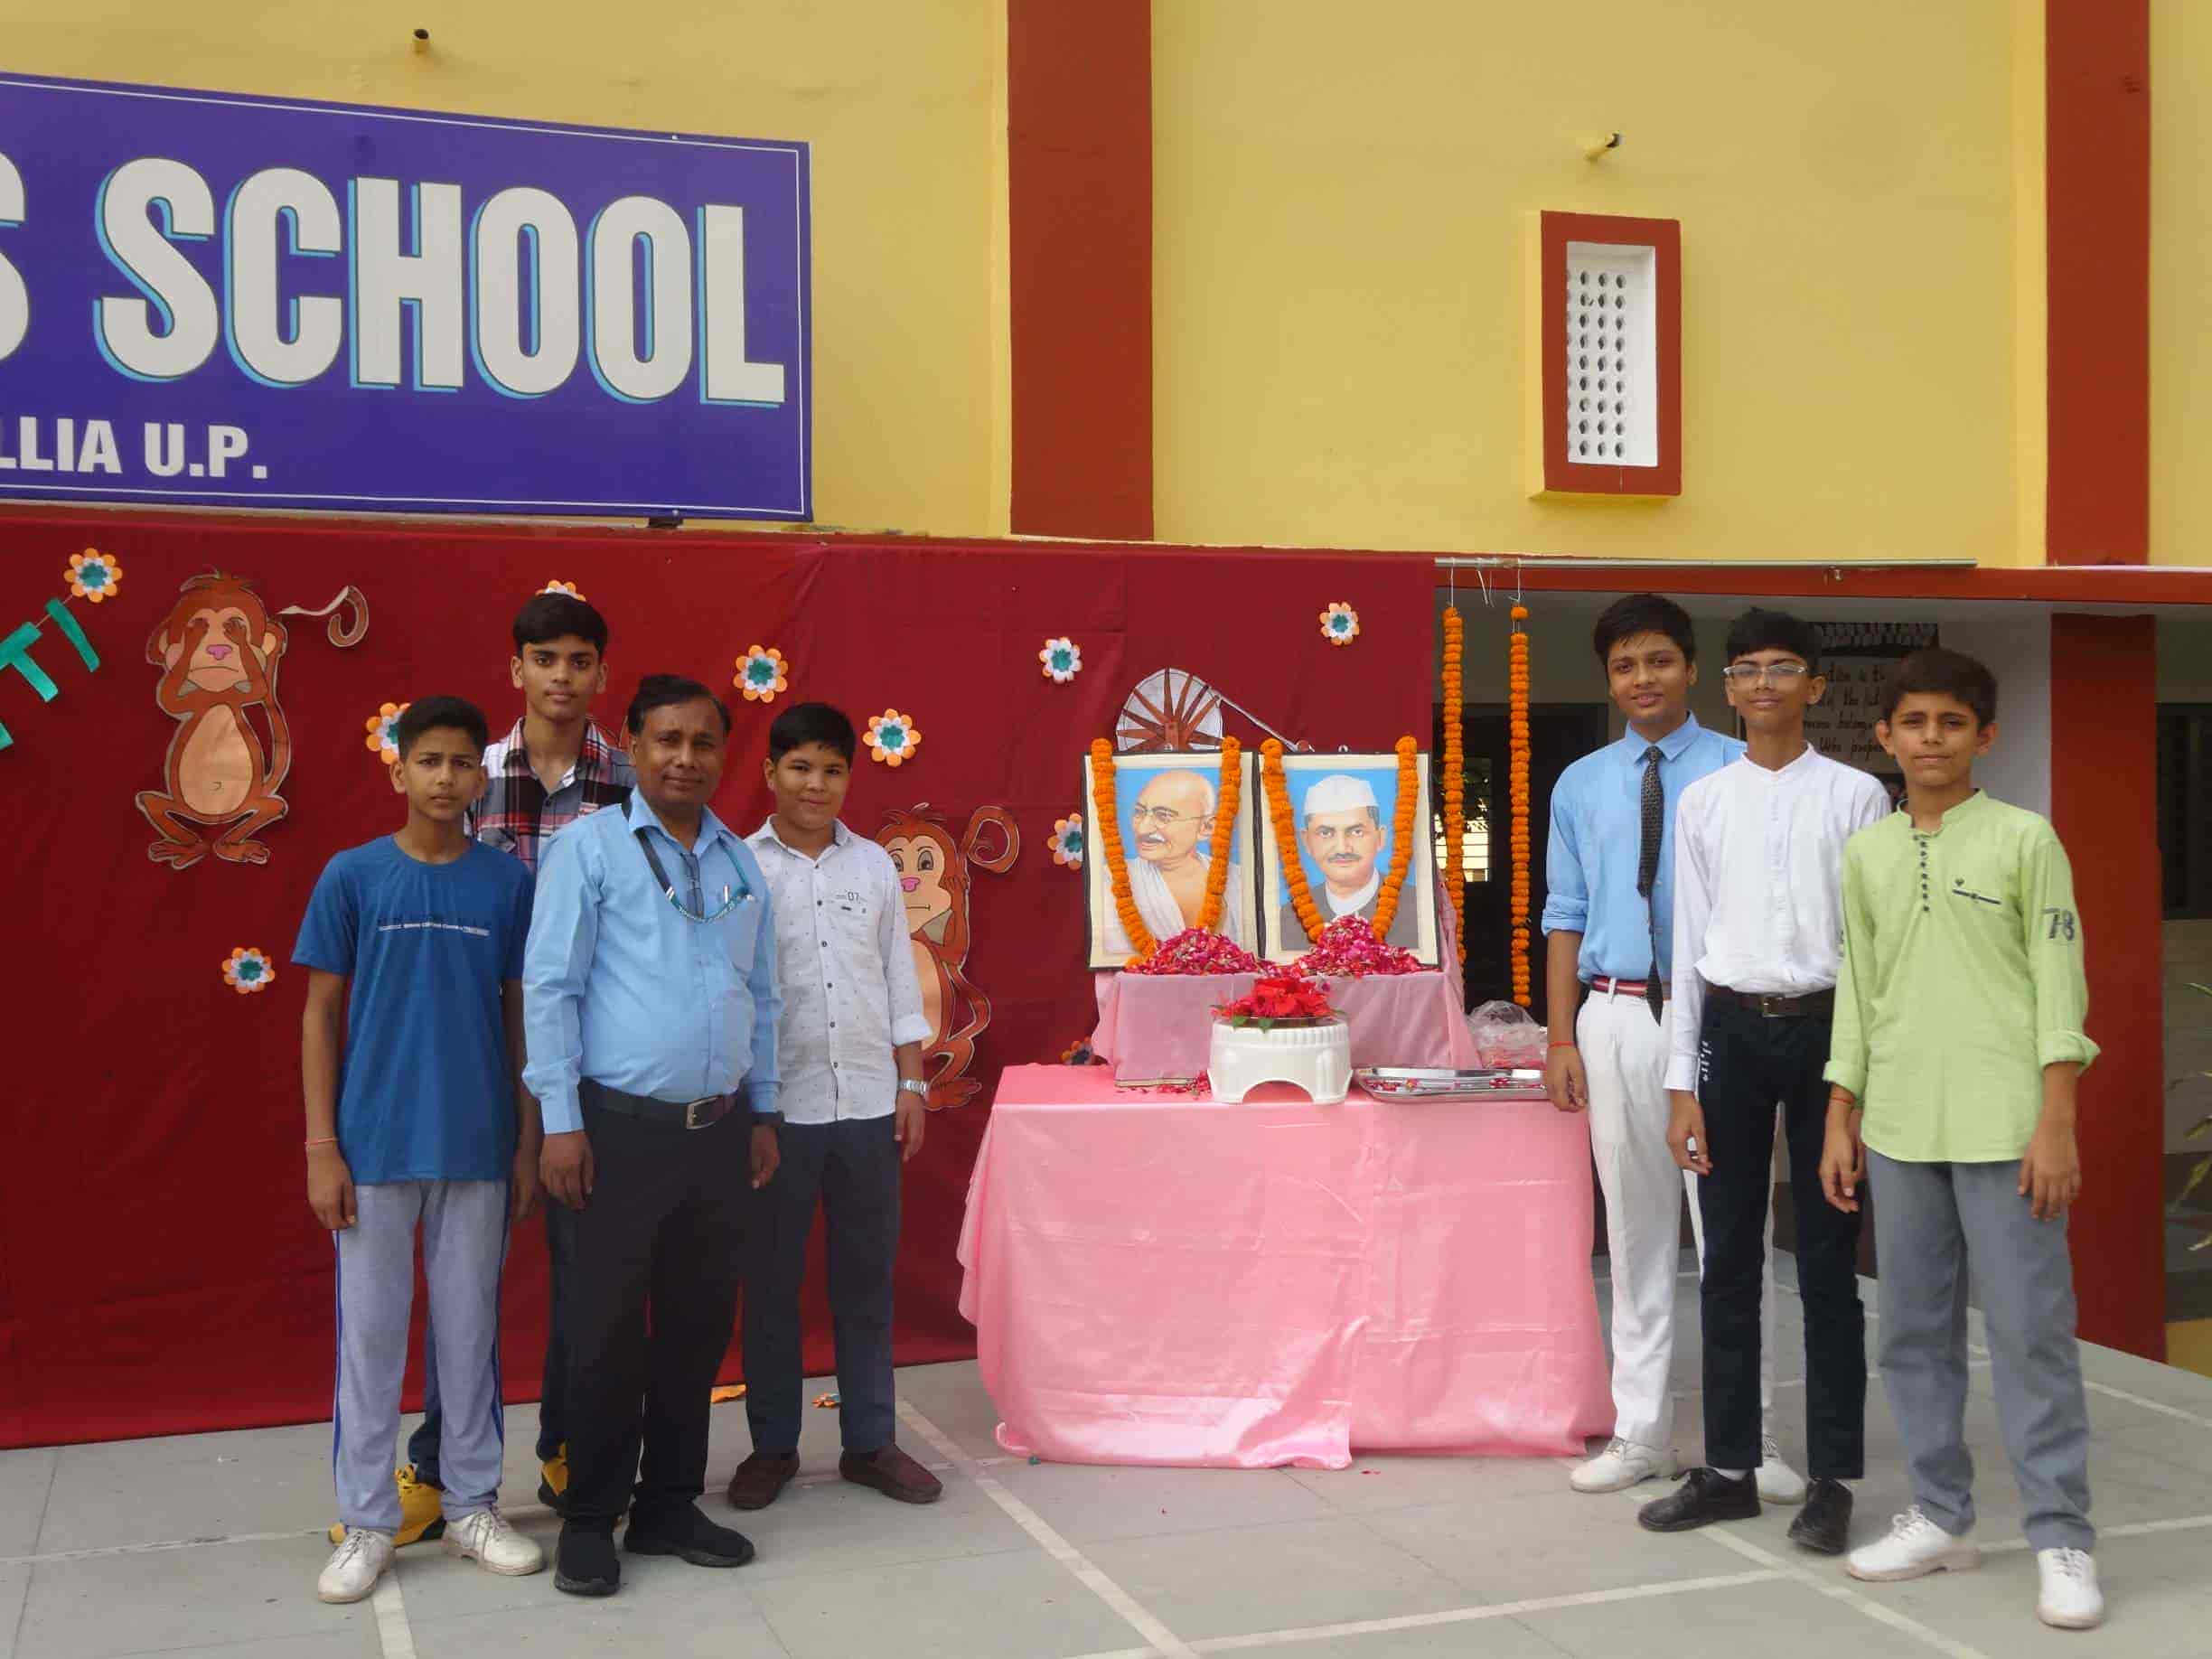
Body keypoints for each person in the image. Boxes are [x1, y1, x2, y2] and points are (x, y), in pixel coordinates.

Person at [1823, 648, 2104, 1631]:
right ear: (1884, 736)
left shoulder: (2027, 840)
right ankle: (1941, 1515)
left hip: (2009, 1127)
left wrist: (2056, 1121)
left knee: (2030, 1335)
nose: (1931, 738)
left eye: (1951, 722)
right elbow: (1859, 991)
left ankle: (2062, 1536)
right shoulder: (1867, 854)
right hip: (1902, 1126)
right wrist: (1842, 1112)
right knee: (1911, 1335)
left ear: (1985, 737)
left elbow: (2060, 986)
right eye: (1914, 722)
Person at [381, 591, 633, 1550]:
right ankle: (438, 1466)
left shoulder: (630, 781)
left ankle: (568, 1445)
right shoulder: (468, 773)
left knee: (586, 1270)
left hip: (594, 1054)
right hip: (476, 1051)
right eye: (545, 659)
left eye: (579, 659)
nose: (562, 676)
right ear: (516, 669)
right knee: (462, 1280)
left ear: (601, 673)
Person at [523, 674, 783, 1598]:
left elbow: (762, 997)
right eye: (667, 740)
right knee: (602, 1334)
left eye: (704, 742)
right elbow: (550, 989)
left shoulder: (740, 862)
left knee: (696, 1327)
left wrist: (762, 1110)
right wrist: (561, 1125)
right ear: (631, 744)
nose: (685, 758)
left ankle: (669, 1503)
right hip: (614, 1134)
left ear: (723, 754)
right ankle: (590, 1519)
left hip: (718, 1135)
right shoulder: (589, 849)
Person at [1640, 610, 1890, 1553]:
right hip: (1731, 1034)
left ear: (1814, 686)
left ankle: (1833, 1479)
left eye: (1783, 668)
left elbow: (1869, 947)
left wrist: (1854, 1087)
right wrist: (1682, 1083)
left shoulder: (1859, 797)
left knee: (1827, 1263)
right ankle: (1730, 1470)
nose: (1764, 685)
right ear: (1729, 689)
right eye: (1747, 670)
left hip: (1829, 1031)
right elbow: (1687, 945)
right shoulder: (1705, 802)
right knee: (1728, 1261)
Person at [1542, 594, 1797, 1500]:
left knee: (1731, 1236)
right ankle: (1641, 1432)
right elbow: (1566, 913)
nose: (1642, 679)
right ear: (1609, 680)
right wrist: (1561, 1034)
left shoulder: (1743, 769)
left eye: (1658, 661)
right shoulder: (1580, 784)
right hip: (1613, 1015)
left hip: (1720, 1019)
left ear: (1693, 670)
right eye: (1624, 666)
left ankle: (1750, 1438)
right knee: (1635, 1233)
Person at [295, 696, 544, 1603]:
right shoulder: (353, 876)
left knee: (469, 1336)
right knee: (368, 1343)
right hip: (372, 1149)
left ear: (483, 776)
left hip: (477, 1145)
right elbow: (320, 1013)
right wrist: (323, 1147)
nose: (445, 777)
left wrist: (528, 1140)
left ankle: (473, 1505)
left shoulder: (506, 884)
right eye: (429, 760)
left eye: (462, 762)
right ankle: (367, 1522)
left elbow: (521, 1016)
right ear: (398, 769)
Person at [726, 702, 943, 1512]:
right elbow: (734, 989)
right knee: (771, 1284)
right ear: (770, 773)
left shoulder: (874, 866)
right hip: (777, 1112)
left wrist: (911, 1084)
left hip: (869, 1107)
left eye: (831, 770)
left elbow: (897, 978)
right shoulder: (742, 866)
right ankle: (772, 1448)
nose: (815, 785)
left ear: (849, 778)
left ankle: (870, 1443)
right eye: (800, 768)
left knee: (866, 1283)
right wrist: (752, 1108)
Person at [1100, 766, 1245, 952]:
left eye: (1164, 816)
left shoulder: (1238, 880)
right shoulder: (1111, 880)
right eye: (1139, 812)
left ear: (1206, 827)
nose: (1143, 828)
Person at [1275, 773, 1419, 948]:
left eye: (1357, 832)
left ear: (1380, 838)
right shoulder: (1288, 918)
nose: (1342, 849)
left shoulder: (1418, 908)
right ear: (1307, 842)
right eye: (1325, 833)